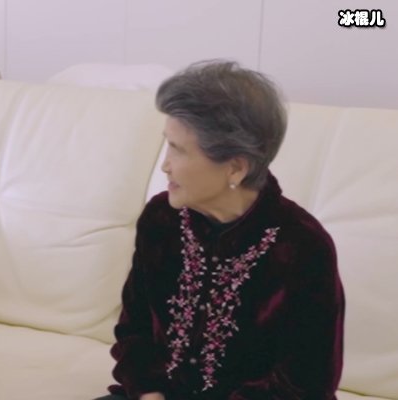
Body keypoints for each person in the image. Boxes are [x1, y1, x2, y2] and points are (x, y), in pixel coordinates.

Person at [96, 60, 344, 399]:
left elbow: (305, 383)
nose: (165, 165)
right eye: (167, 144)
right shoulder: (161, 219)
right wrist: (148, 393)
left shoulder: (303, 246)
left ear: (235, 168)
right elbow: (134, 330)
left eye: (178, 150)